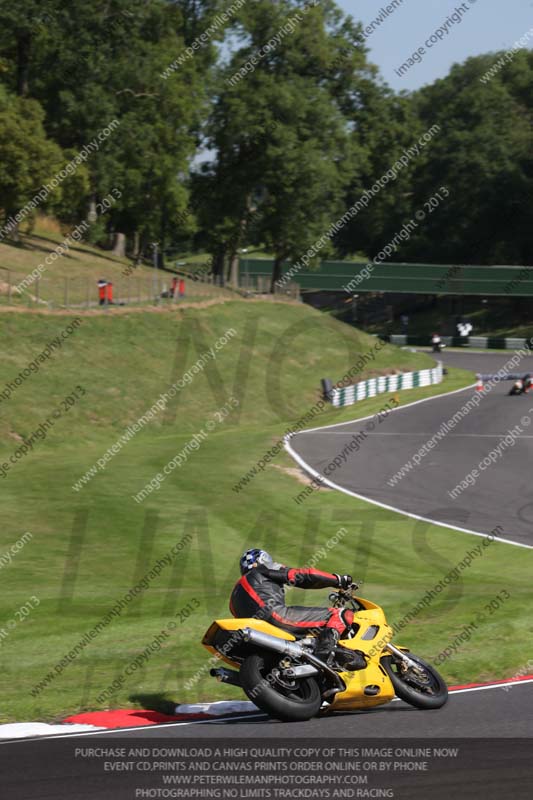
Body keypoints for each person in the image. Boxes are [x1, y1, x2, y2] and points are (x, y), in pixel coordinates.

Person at [230, 549, 366, 671]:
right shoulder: (262, 570)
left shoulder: (234, 596)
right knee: (340, 614)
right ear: (263, 560)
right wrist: (339, 580)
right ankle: (326, 653)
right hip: (276, 616)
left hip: (258, 633)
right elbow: (304, 576)